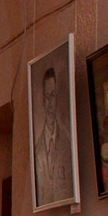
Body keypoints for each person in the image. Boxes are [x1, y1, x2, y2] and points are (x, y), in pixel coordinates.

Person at [33, 67, 74, 206]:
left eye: (53, 95)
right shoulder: (37, 149)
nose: (50, 104)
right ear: (43, 101)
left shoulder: (67, 144)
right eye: (47, 97)